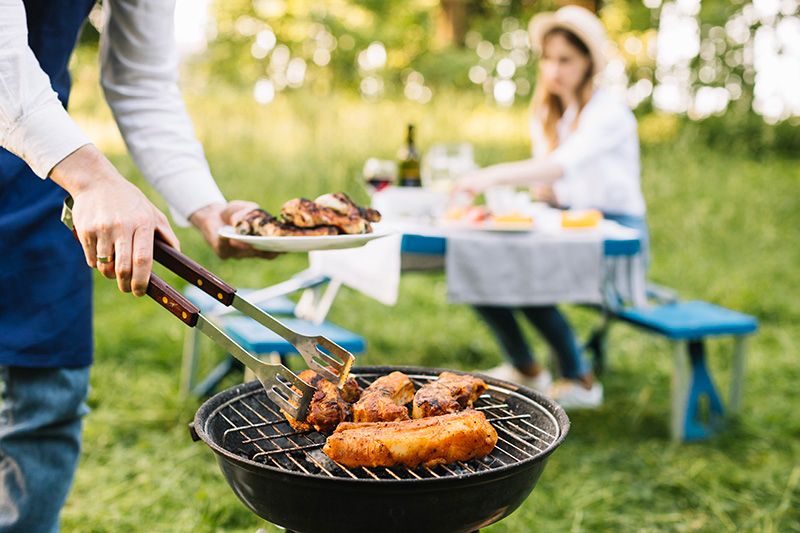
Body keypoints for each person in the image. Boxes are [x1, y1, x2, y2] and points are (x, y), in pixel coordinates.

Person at [0, 1, 274, 530]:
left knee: (46, 396)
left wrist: (205, 204)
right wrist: (94, 178)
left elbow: (139, 77)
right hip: (63, 158)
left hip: (41, 164)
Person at [456, 5, 648, 408]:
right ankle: (527, 367)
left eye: (565, 59)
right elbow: (555, 186)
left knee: (525, 275)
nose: (554, 69)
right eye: (548, 58)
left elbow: (560, 167)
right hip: (572, 227)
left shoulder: (607, 111)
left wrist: (488, 177)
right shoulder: (555, 113)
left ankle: (579, 378)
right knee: (478, 260)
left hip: (616, 237)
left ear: (588, 63)